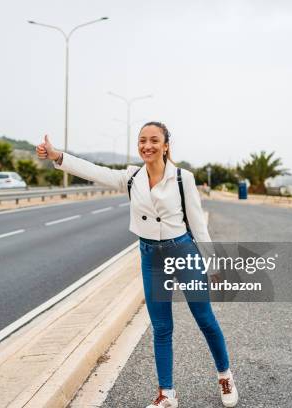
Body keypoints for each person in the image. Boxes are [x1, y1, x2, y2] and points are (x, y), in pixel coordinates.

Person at [36, 122, 238, 408]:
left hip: (183, 252)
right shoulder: (132, 177)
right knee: (161, 326)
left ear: (166, 145)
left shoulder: (183, 178)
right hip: (151, 256)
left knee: (204, 318)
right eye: (142, 140)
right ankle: (167, 394)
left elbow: (197, 224)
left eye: (154, 140)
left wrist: (213, 265)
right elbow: (96, 172)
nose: (147, 146)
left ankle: (225, 376)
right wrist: (58, 156)